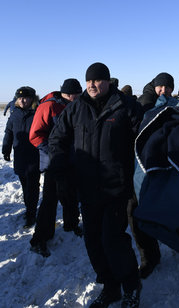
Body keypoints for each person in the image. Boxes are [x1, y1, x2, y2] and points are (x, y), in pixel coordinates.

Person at [48, 62, 143, 308]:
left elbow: (142, 141)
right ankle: (110, 286)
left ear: (108, 81)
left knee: (113, 240)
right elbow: (57, 138)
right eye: (88, 80)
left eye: (97, 80)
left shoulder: (125, 106)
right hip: (87, 188)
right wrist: (60, 169)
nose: (91, 84)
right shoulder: (76, 108)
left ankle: (132, 285)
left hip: (116, 188)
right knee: (93, 240)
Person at [29, 78, 83, 257]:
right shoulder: (49, 106)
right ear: (63, 93)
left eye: (76, 94)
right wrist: (53, 152)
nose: (73, 98)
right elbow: (35, 135)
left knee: (71, 194)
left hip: (74, 160)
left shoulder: (80, 105)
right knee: (50, 199)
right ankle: (40, 238)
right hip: (55, 161)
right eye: (69, 95)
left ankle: (71, 224)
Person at [129, 72, 175, 279]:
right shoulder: (146, 103)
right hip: (137, 166)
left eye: (167, 88)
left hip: (157, 166)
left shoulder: (170, 103)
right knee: (135, 212)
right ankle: (148, 257)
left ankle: (152, 252)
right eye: (160, 87)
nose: (163, 91)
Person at [2, 86, 40, 228]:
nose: (22, 101)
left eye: (26, 98)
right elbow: (9, 132)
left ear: (32, 99)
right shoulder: (15, 113)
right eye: (19, 98)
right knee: (25, 186)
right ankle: (29, 209)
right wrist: (6, 148)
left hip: (34, 156)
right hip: (20, 156)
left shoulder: (37, 112)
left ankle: (31, 214)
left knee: (33, 186)